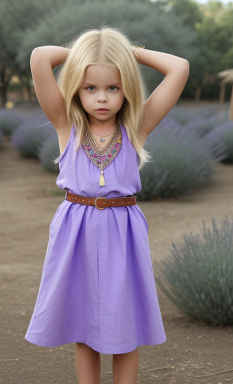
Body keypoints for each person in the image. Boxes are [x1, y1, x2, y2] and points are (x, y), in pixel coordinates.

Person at [25, 26, 189, 384]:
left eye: (113, 87)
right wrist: (89, 53)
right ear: (77, 90)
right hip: (75, 231)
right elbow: (40, 56)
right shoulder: (66, 124)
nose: (102, 98)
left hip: (123, 233)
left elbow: (179, 67)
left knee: (124, 327)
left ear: (127, 88)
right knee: (85, 327)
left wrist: (125, 53)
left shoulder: (137, 126)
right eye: (91, 87)